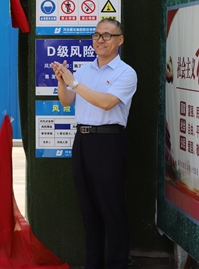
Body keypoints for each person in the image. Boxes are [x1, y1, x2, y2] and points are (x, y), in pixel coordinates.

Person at [51, 18, 137, 269]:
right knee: (88, 209)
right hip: (82, 141)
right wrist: (62, 80)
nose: (100, 40)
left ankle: (117, 263)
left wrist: (74, 83)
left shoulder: (126, 73)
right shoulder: (84, 70)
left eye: (107, 35)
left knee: (112, 208)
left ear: (120, 40)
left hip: (108, 142)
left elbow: (107, 103)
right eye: (97, 35)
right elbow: (67, 101)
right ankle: (93, 263)